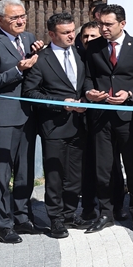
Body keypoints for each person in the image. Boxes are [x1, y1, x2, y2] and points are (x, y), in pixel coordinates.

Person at [0, 0, 43, 242]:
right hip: (3, 116)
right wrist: (18, 70)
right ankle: (2, 222)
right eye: (14, 17)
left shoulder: (28, 38)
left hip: (28, 114)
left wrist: (38, 54)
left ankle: (22, 215)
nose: (20, 20)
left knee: (26, 171)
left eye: (22, 15)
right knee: (3, 172)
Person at [82, 4, 133, 233]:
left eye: (108, 24)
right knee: (104, 168)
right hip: (101, 116)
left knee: (132, 166)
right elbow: (88, 78)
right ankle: (106, 212)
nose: (103, 28)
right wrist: (89, 92)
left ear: (122, 24)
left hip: (127, 117)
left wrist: (130, 94)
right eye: (101, 23)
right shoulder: (93, 47)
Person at [22, 13, 88, 239]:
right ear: (51, 34)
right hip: (54, 126)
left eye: (72, 30)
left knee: (74, 175)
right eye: (65, 32)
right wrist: (61, 104)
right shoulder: (41, 58)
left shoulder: (81, 54)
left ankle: (70, 214)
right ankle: (56, 219)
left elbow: (84, 83)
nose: (72, 35)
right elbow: (30, 93)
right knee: (55, 175)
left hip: (79, 124)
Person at [73, 19, 102, 222]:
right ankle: (87, 207)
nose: (89, 40)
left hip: (101, 119)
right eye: (85, 36)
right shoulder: (74, 56)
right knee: (82, 166)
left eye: (93, 36)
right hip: (76, 119)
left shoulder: (103, 56)